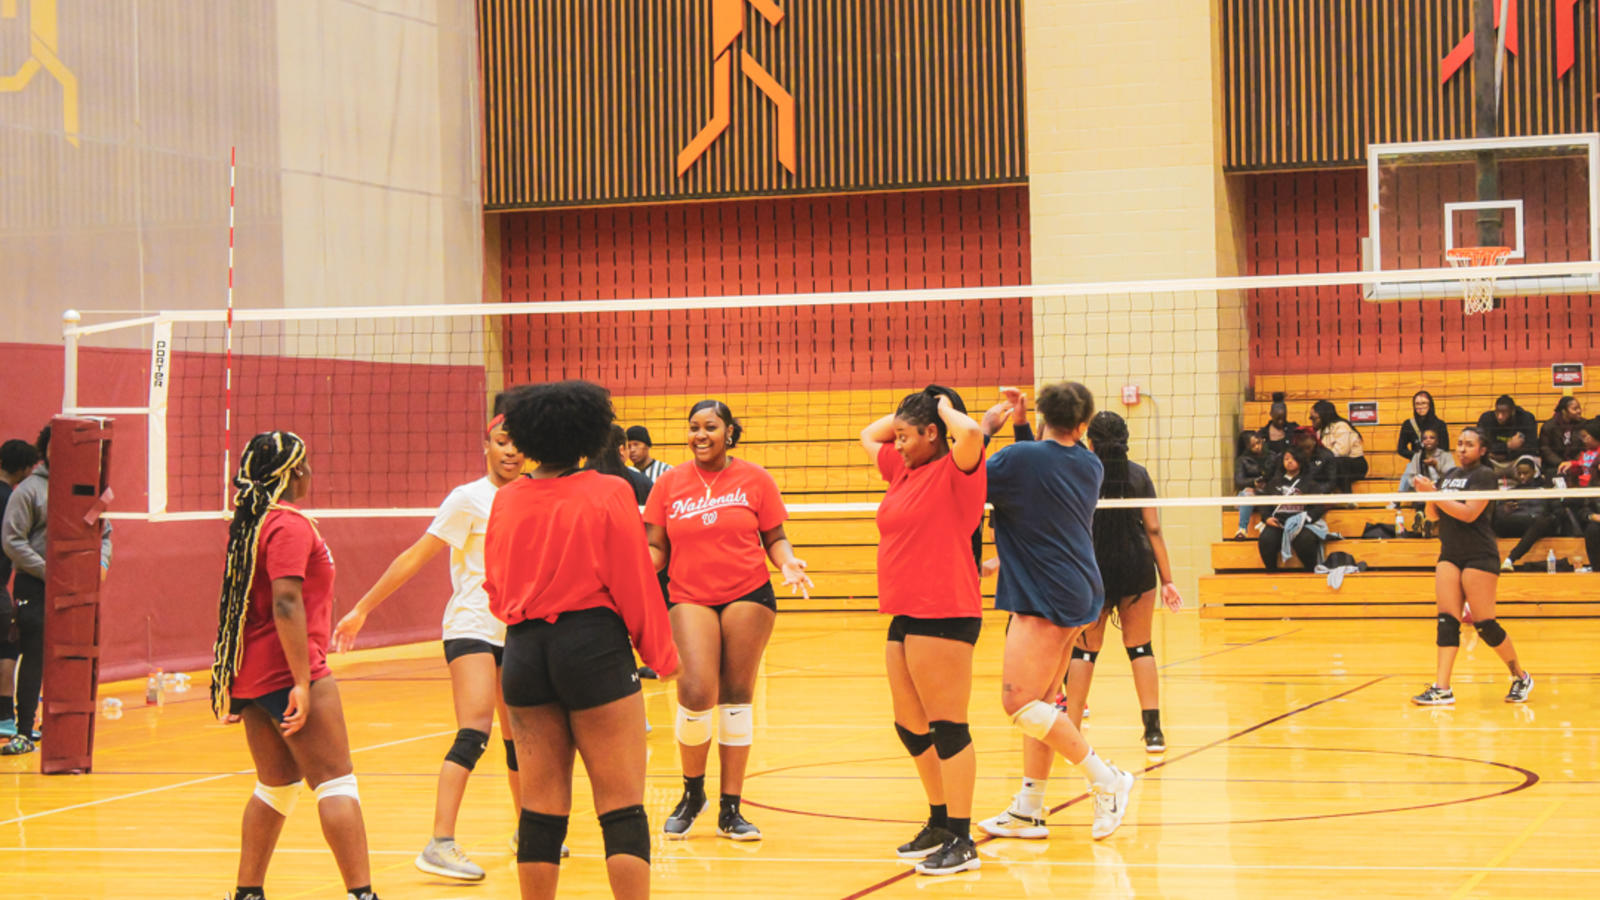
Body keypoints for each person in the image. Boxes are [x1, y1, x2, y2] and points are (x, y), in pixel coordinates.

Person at [483, 380, 679, 900]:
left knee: (540, 809)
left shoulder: (505, 500)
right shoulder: (609, 491)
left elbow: (495, 588)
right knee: (621, 806)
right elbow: (635, 583)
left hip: (523, 650)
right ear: (589, 434)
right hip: (591, 645)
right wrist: (661, 654)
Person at [331, 406, 530, 881]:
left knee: (520, 738)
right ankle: (439, 842)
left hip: (517, 631)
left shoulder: (531, 495)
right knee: (474, 730)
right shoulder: (468, 499)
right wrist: (362, 608)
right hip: (472, 628)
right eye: (503, 442)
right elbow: (415, 556)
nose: (512, 452)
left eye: (519, 445)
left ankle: (529, 831)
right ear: (487, 445)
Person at [209, 432, 379, 900]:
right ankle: (362, 895)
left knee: (277, 786)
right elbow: (285, 603)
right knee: (336, 781)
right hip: (287, 671)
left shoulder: (251, 522)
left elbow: (237, 607)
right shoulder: (289, 526)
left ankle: (247, 893)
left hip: (254, 674)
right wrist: (302, 683)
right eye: (304, 466)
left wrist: (232, 682)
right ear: (292, 473)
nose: (309, 473)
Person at [645, 399, 812, 841]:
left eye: (710, 427)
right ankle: (692, 792)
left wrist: (788, 563)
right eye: (694, 427)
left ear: (729, 432)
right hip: (688, 595)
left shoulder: (756, 479)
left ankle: (731, 809)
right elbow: (657, 546)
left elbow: (774, 536)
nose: (700, 435)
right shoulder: (669, 484)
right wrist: (641, 566)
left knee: (736, 694)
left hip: (747, 593)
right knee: (697, 688)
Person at [979, 382, 1135, 845]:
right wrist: (1026, 425)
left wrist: (988, 430)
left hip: (1046, 592)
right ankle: (1029, 808)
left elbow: (966, 476)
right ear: (1084, 424)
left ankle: (1107, 779)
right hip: (1080, 588)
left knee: (1019, 703)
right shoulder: (1089, 462)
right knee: (1043, 705)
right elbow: (1036, 464)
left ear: (1045, 415)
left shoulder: (1018, 461)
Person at [860, 387, 986, 875]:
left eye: (908, 436)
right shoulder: (902, 467)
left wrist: (942, 407)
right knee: (909, 724)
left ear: (935, 433)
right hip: (905, 611)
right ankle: (938, 820)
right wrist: (906, 418)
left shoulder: (958, 471)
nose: (898, 443)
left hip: (945, 609)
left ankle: (962, 836)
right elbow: (867, 434)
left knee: (948, 725)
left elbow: (971, 431)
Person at [1060, 411, 1184, 755]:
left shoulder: (1079, 473)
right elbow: (1154, 530)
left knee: (1084, 650)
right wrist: (1168, 580)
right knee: (1140, 647)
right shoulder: (1139, 475)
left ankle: (1072, 731)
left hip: (1092, 569)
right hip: (1137, 567)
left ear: (1091, 442)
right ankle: (1154, 731)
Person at [2, 425, 111, 756]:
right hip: (36, 584)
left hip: (78, 588)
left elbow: (105, 534)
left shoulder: (88, 489)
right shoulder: (30, 490)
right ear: (46, 449)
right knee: (35, 655)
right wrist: (51, 572)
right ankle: (23, 731)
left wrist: (100, 567)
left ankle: (62, 729)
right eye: (56, 446)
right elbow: (12, 539)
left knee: (73, 656)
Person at [1410, 427, 1534, 706]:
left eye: (1469, 444)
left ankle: (1521, 677)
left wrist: (1436, 494)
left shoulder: (1484, 476)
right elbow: (1433, 515)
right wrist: (1428, 495)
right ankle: (1442, 688)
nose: (1462, 448)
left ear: (1482, 450)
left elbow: (1469, 514)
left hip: (1480, 555)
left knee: (1484, 624)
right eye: (1459, 443)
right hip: (1450, 553)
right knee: (1446, 621)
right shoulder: (1449, 476)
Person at [0, 438, 42, 739]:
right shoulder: (12, 498)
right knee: (9, 646)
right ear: (25, 468)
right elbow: (13, 541)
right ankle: (5, 717)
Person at [1256, 448, 1331, 571]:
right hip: (1278, 523)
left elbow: (1318, 506)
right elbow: (1264, 504)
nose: (1289, 461)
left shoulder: (1310, 483)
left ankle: (1311, 570)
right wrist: (1267, 518)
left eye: (1293, 458)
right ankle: (1271, 572)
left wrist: (1304, 520)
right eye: (1286, 459)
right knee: (1266, 539)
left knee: (1305, 540)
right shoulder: (1274, 483)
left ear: (1300, 461)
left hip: (1301, 524)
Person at [1494, 457, 1562, 572]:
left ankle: (1510, 559)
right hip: (1519, 523)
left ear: (1534, 472)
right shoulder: (1512, 491)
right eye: (1519, 474)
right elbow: (1497, 515)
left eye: (1525, 473)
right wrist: (1504, 510)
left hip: (1540, 525)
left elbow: (1558, 510)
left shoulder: (1546, 489)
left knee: (1544, 520)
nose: (1522, 477)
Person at [1398, 427, 1455, 534]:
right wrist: (1418, 482)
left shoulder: (1446, 456)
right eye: (1425, 438)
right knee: (1422, 496)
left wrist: (1436, 465)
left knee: (1433, 496)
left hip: (1440, 488)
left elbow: (1450, 475)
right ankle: (1426, 521)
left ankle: (1425, 519)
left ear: (1437, 441)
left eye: (1432, 438)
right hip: (1422, 489)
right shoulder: (1417, 456)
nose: (1428, 440)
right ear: (1422, 442)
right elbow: (1411, 476)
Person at [1309, 400, 1367, 492]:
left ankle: (1347, 496)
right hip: (1333, 464)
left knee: (1338, 462)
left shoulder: (1341, 426)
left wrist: (1323, 458)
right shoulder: (1319, 431)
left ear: (1323, 416)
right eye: (1310, 418)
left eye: (1314, 418)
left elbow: (1341, 452)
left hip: (1354, 465)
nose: (1312, 421)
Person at [591, 425, 653, 505]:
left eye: (636, 444)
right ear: (621, 450)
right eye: (628, 446)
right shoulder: (641, 482)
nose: (632, 450)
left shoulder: (578, 481)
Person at [1475, 395, 1538, 468]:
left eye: (1504, 412)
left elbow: (1532, 447)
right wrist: (1507, 446)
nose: (1500, 416)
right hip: (1493, 461)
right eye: (1497, 412)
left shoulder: (1526, 418)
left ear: (1512, 411)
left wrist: (1507, 456)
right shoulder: (1486, 419)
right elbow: (1482, 446)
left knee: (1527, 463)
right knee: (1480, 459)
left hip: (1516, 460)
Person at [1232, 430, 1273, 540]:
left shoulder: (1272, 456)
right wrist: (1254, 482)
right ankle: (1242, 529)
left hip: (1266, 492)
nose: (1257, 447)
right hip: (1249, 493)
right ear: (1246, 447)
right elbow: (1239, 481)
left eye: (1259, 442)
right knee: (1248, 493)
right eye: (1253, 445)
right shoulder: (1242, 460)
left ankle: (1265, 524)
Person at [1397, 391, 1450, 460]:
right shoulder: (1408, 424)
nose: (1420, 407)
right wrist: (1417, 456)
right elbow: (1401, 449)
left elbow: (1445, 449)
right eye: (1417, 404)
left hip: (1435, 466)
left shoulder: (1440, 425)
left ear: (1430, 404)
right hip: (1417, 467)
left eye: (1424, 403)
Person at [1540, 396, 1586, 473]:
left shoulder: (1584, 424)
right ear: (1564, 411)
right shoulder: (1549, 426)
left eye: (1579, 408)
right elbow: (1545, 449)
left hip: (1577, 464)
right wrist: (1560, 463)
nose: (1579, 411)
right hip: (1554, 465)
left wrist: (1573, 463)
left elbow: (1586, 447)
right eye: (1575, 409)